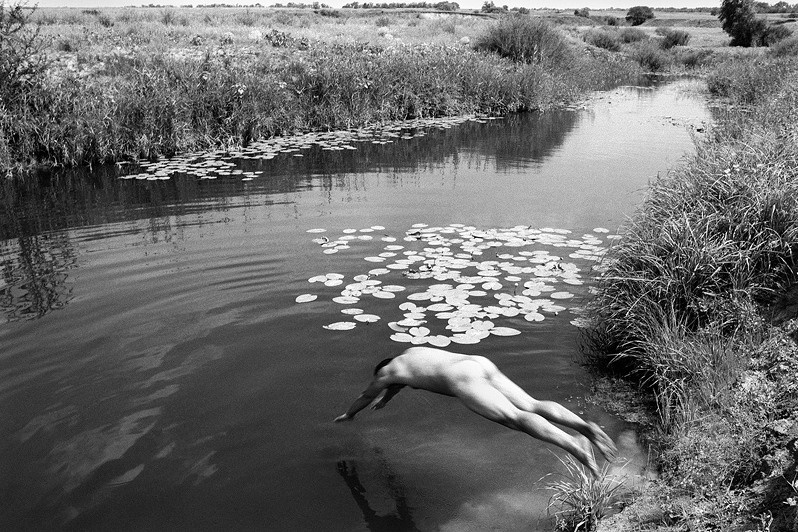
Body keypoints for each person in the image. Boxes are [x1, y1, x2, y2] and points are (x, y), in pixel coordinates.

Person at [335, 347, 617, 478]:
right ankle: (586, 428)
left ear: (381, 370)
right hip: (477, 362)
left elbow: (366, 394)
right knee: (530, 403)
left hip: (461, 379)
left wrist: (350, 415)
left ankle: (574, 445)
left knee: (515, 418)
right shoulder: (409, 354)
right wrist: (389, 398)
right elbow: (403, 381)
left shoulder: (385, 372)